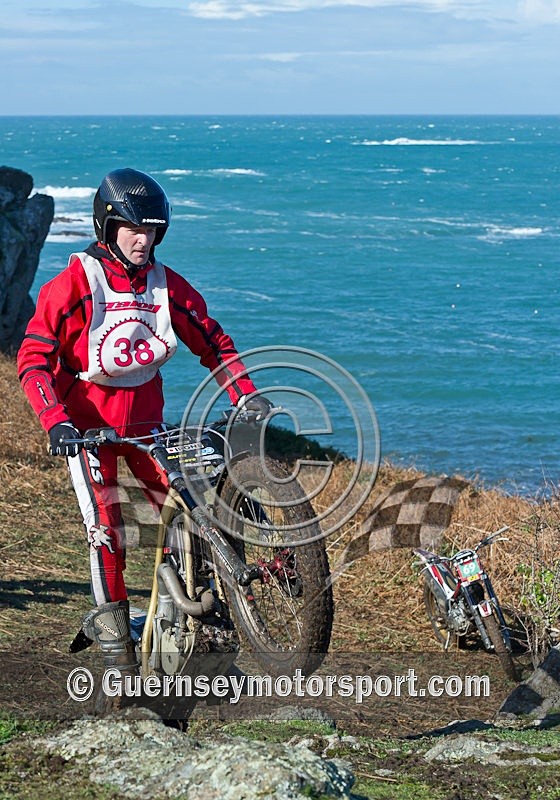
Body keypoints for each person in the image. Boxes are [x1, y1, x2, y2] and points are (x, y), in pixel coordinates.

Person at [17, 167, 271, 688]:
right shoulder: (73, 286)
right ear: (106, 228)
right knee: (108, 532)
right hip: (88, 434)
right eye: (132, 229)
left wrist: (247, 395)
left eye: (152, 230)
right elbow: (33, 358)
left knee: (190, 516)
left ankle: (196, 633)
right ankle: (118, 656)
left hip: (148, 429)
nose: (143, 239)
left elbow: (214, 344)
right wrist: (55, 421)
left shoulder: (167, 286)